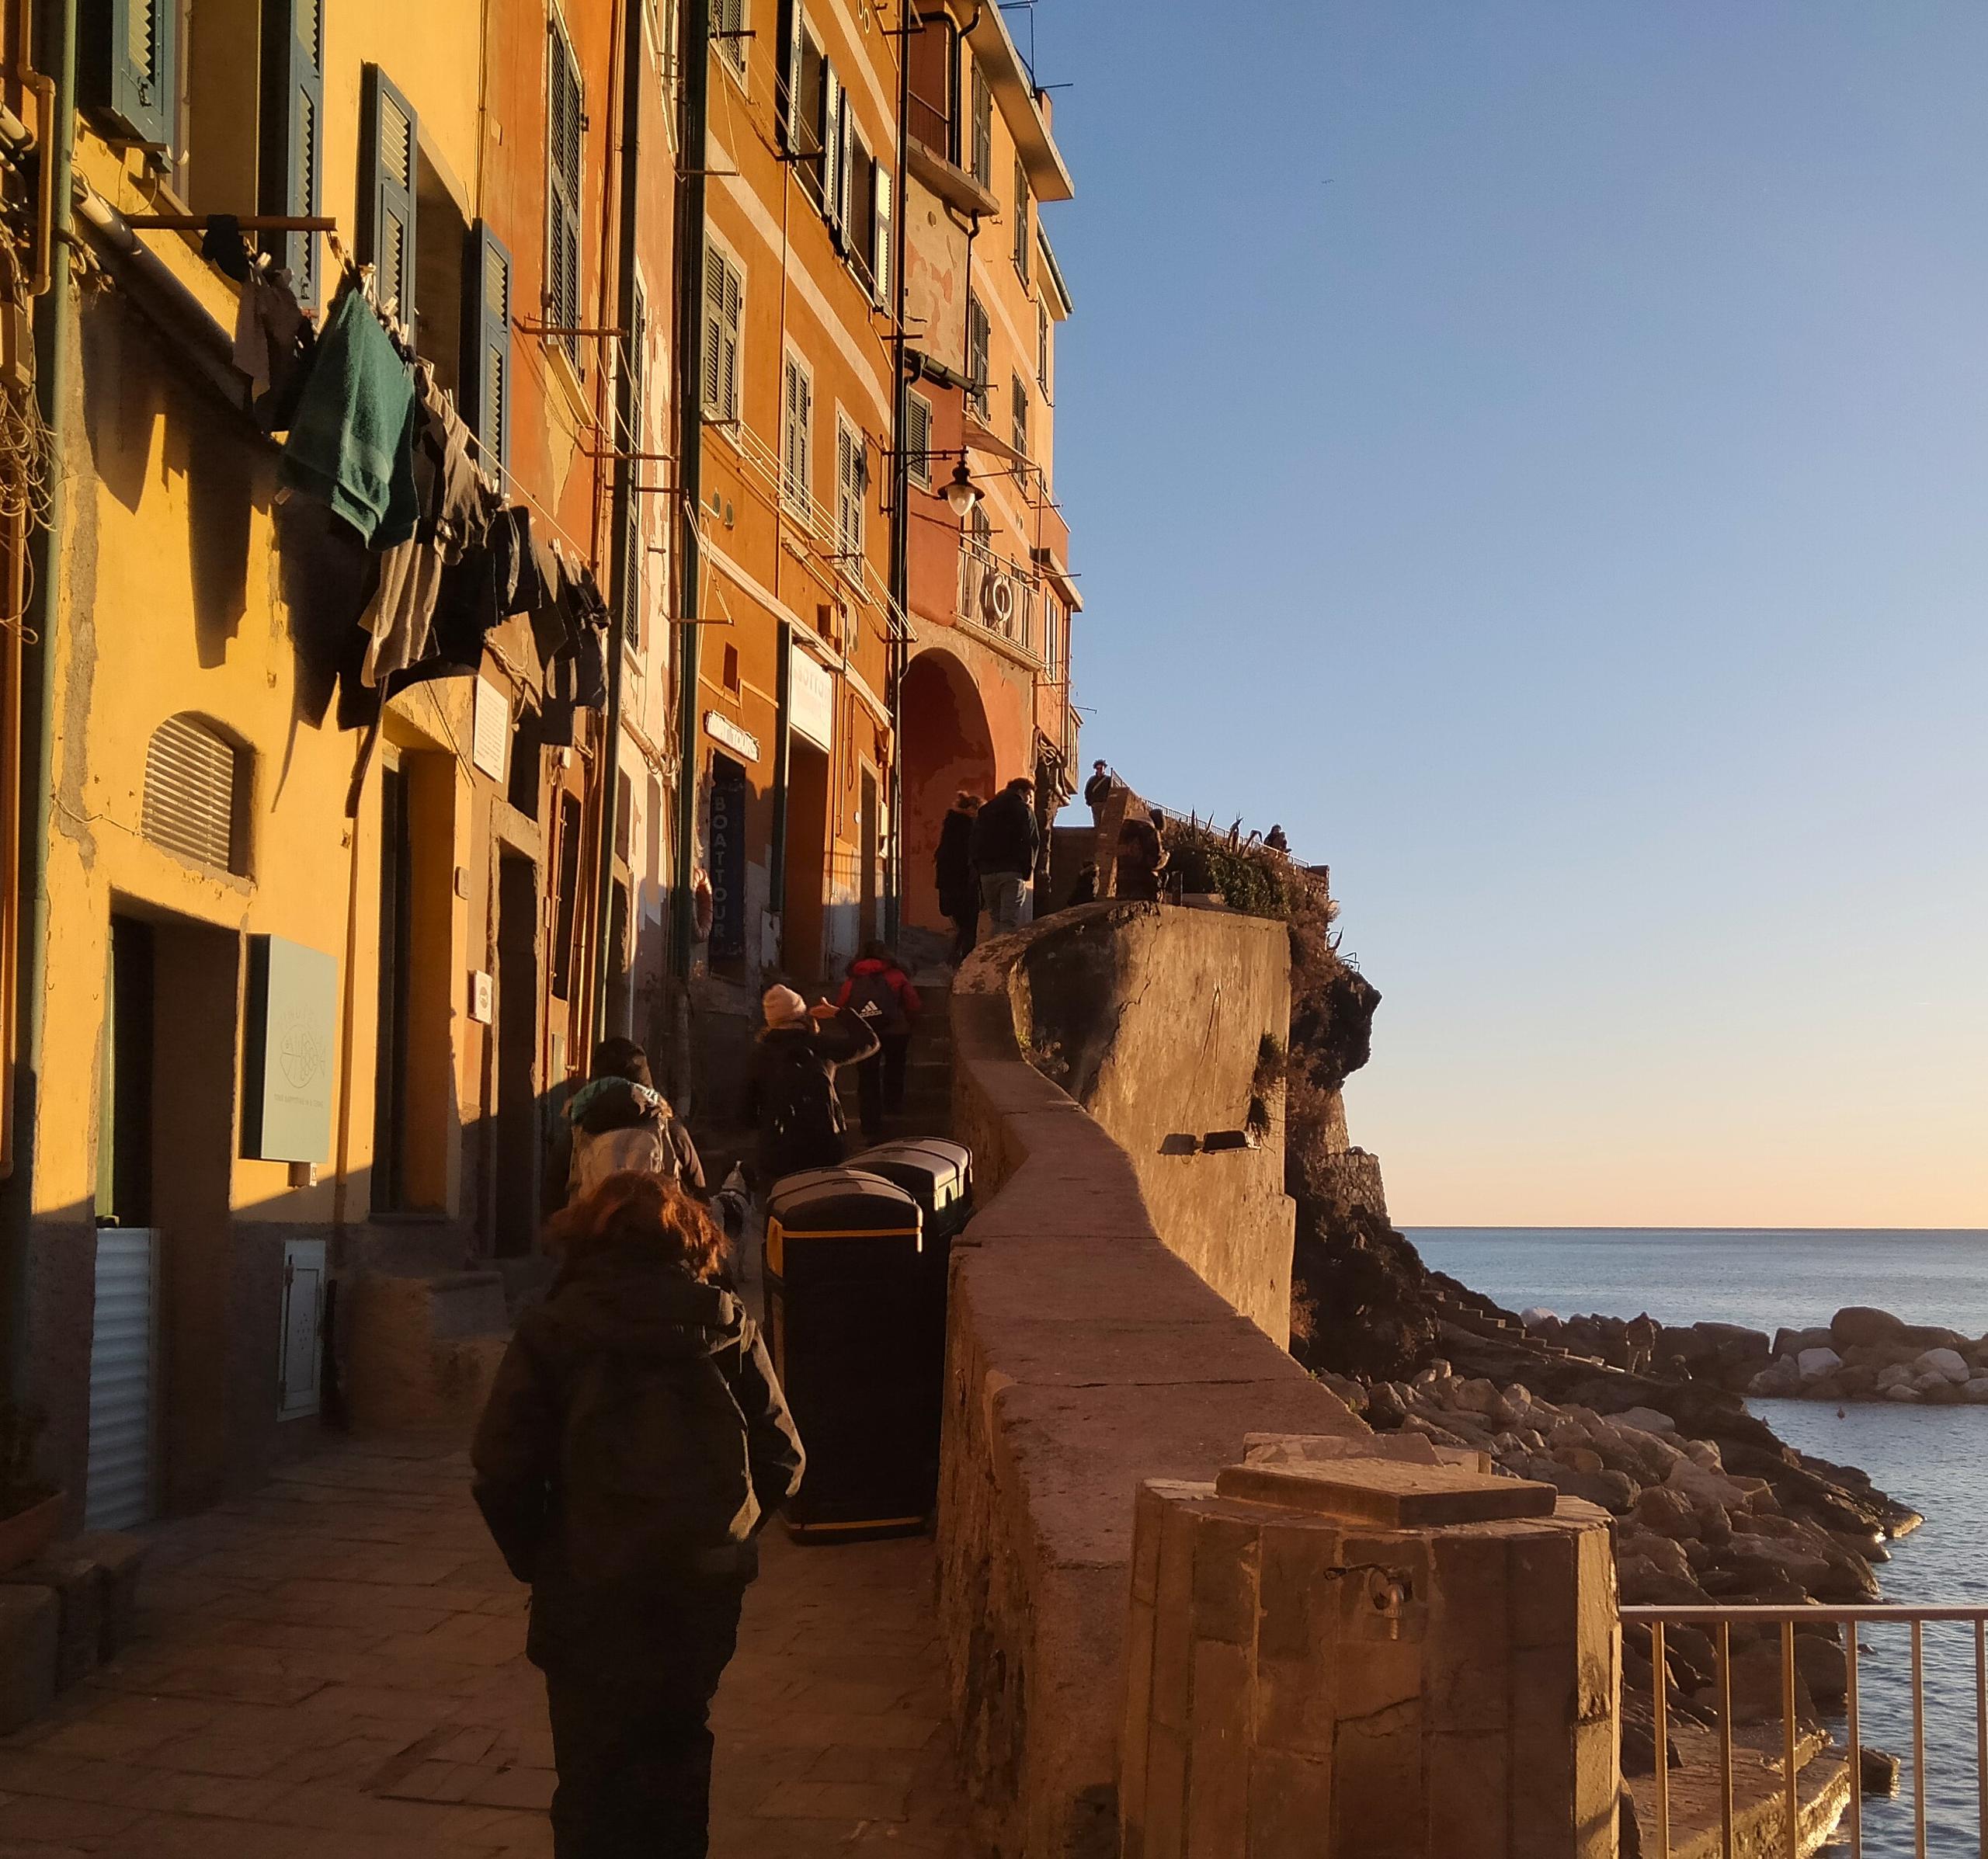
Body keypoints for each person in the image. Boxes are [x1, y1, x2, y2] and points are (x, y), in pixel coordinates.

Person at [471, 1171, 805, 1859]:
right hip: (699, 1586)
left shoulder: (552, 1329)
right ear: (690, 1238)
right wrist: (727, 1530)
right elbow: (783, 1458)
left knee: (592, 1771)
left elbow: (502, 1468)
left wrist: (542, 1555)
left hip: (589, 1586)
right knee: (679, 1747)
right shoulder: (725, 1322)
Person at [745, 983, 880, 1186]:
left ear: (770, 1020)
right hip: (823, 1148)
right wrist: (838, 1013)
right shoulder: (821, 1047)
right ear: (800, 1014)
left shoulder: (759, 1056)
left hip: (776, 1154)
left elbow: (744, 1115)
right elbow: (869, 1042)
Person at [557, 1037, 705, 1204]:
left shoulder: (576, 1133)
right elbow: (699, 1199)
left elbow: (552, 1201)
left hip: (589, 1229)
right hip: (656, 1229)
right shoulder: (670, 1130)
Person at [836, 942, 923, 1144]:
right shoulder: (897, 976)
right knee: (895, 1068)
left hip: (864, 1034)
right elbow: (914, 1003)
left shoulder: (853, 979)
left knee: (867, 1077)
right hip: (896, 1031)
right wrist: (908, 1020)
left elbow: (841, 1006)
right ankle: (893, 1108)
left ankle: (870, 1123)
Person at [971, 775, 1040, 933]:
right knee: (1008, 922)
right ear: (1021, 792)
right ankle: (1001, 957)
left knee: (995, 919)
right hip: (1011, 871)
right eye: (1029, 795)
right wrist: (1027, 870)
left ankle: (991, 955)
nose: (1030, 800)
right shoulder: (1023, 810)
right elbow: (1031, 841)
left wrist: (979, 867)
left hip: (987, 873)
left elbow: (974, 840)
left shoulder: (985, 810)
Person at [934, 791, 982, 964]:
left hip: (947, 884)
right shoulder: (971, 828)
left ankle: (955, 958)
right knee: (969, 926)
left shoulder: (950, 827)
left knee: (961, 925)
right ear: (973, 809)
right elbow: (972, 856)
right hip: (965, 884)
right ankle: (962, 960)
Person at [1115, 811, 1168, 902]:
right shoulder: (1150, 831)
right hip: (1143, 888)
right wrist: (1165, 857)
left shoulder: (1125, 829)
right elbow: (1155, 861)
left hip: (1123, 886)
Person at [1083, 759, 1114, 825]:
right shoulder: (1092, 780)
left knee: (1105, 822)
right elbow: (1087, 791)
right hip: (1095, 804)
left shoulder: (1108, 780)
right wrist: (1090, 802)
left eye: (1101, 768)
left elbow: (1112, 791)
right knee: (1097, 823)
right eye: (1097, 768)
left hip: (1105, 803)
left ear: (1104, 768)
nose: (1099, 770)